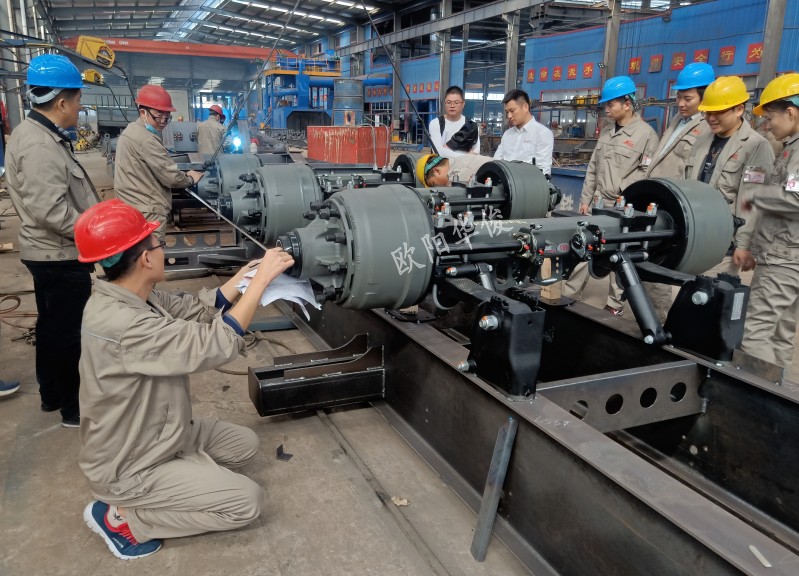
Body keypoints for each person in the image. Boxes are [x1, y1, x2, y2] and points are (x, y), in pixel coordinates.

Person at [74, 199, 294, 559]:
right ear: (146, 259)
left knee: (244, 444)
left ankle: (183, 476)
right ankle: (124, 518)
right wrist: (262, 283)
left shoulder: (132, 296)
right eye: (158, 243)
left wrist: (246, 276)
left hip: (159, 432)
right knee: (247, 502)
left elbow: (196, 309)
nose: (162, 249)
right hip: (131, 462)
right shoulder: (124, 324)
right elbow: (216, 343)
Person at [5, 54, 101, 427]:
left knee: (51, 326)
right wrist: (97, 234)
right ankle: (75, 410)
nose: (79, 107)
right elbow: (52, 211)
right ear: (61, 102)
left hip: (48, 251)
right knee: (70, 334)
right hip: (58, 254)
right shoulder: (40, 145)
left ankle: (52, 395)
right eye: (77, 99)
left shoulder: (39, 134)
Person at [563, 75, 659, 316]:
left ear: (627, 103)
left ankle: (614, 305)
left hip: (624, 207)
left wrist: (624, 193)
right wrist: (585, 200)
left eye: (610, 103)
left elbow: (646, 173)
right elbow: (593, 168)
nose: (606, 109)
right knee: (583, 246)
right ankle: (569, 293)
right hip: (598, 203)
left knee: (620, 253)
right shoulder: (606, 132)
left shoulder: (646, 135)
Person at [738, 74, 799, 371]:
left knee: (755, 333)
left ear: (790, 112)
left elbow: (796, 197)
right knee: (780, 334)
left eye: (771, 117)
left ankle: (754, 394)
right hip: (790, 255)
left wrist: (756, 196)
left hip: (784, 258)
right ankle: (778, 394)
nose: (768, 125)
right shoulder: (791, 147)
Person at [685, 76, 774, 277]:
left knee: (713, 293)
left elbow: (752, 200)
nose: (711, 118)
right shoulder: (701, 141)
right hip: (696, 237)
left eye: (719, 112)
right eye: (708, 112)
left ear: (739, 109)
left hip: (725, 244)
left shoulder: (755, 146)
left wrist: (743, 245)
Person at [114, 85, 205, 239]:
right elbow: (171, 176)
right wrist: (190, 179)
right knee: (151, 251)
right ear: (143, 112)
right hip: (147, 211)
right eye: (158, 116)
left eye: (167, 117)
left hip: (131, 205)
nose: (163, 122)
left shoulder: (131, 130)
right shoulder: (146, 139)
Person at [647, 62, 715, 179]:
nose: (681, 104)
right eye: (679, 97)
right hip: (657, 184)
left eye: (688, 99)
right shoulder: (678, 117)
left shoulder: (709, 126)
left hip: (676, 188)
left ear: (705, 97)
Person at [493, 89, 554, 176]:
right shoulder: (507, 134)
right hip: (506, 182)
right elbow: (496, 162)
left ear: (525, 107)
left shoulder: (542, 134)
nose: (509, 116)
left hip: (528, 183)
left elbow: (543, 171)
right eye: (507, 112)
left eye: (512, 111)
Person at [428, 86, 480, 158]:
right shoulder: (436, 123)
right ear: (445, 103)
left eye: (456, 102)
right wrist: (467, 156)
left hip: (465, 164)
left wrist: (445, 150)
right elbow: (438, 152)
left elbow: (476, 152)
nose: (452, 106)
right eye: (448, 102)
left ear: (463, 104)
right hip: (444, 164)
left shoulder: (471, 124)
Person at [416, 153, 493, 187]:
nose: (436, 186)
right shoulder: (459, 160)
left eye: (433, 183)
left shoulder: (458, 176)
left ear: (437, 171)